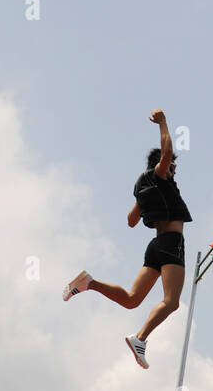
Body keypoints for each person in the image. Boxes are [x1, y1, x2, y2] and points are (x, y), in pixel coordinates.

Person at [63, 109, 192, 369]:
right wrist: (164, 123)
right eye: (173, 169)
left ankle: (90, 283)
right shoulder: (160, 174)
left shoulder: (142, 188)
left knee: (132, 299)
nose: (174, 172)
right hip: (171, 244)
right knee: (172, 302)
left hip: (155, 247)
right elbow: (166, 153)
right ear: (163, 167)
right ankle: (140, 338)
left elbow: (131, 221)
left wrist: (146, 203)